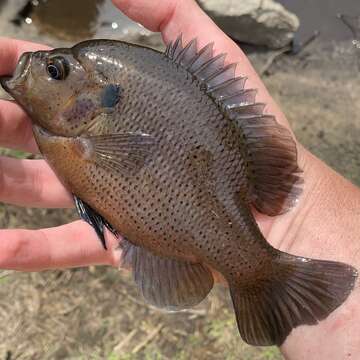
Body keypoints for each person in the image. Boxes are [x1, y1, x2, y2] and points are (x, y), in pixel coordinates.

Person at [0, 0, 359, 358]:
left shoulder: (73, 136)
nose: (37, 68)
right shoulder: (70, 136)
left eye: (55, 71)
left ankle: (261, 273)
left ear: (95, 101)